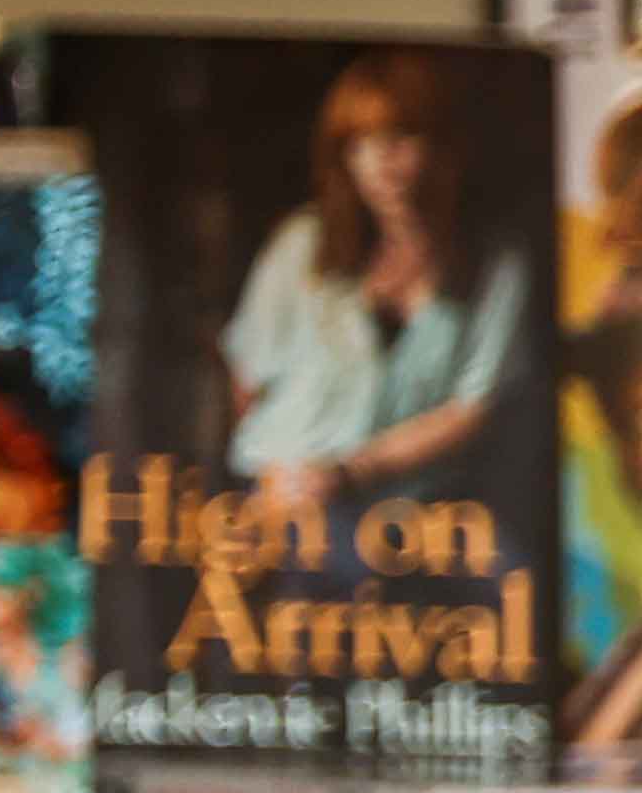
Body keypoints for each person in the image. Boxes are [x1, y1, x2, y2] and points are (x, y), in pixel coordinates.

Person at [222, 49, 528, 540]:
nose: (381, 163)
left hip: (415, 511)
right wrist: (279, 477)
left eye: (401, 137)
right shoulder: (303, 242)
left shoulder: (497, 262)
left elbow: (472, 409)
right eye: (361, 144)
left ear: (446, 147)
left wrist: (350, 472)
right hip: (286, 499)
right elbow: (247, 378)